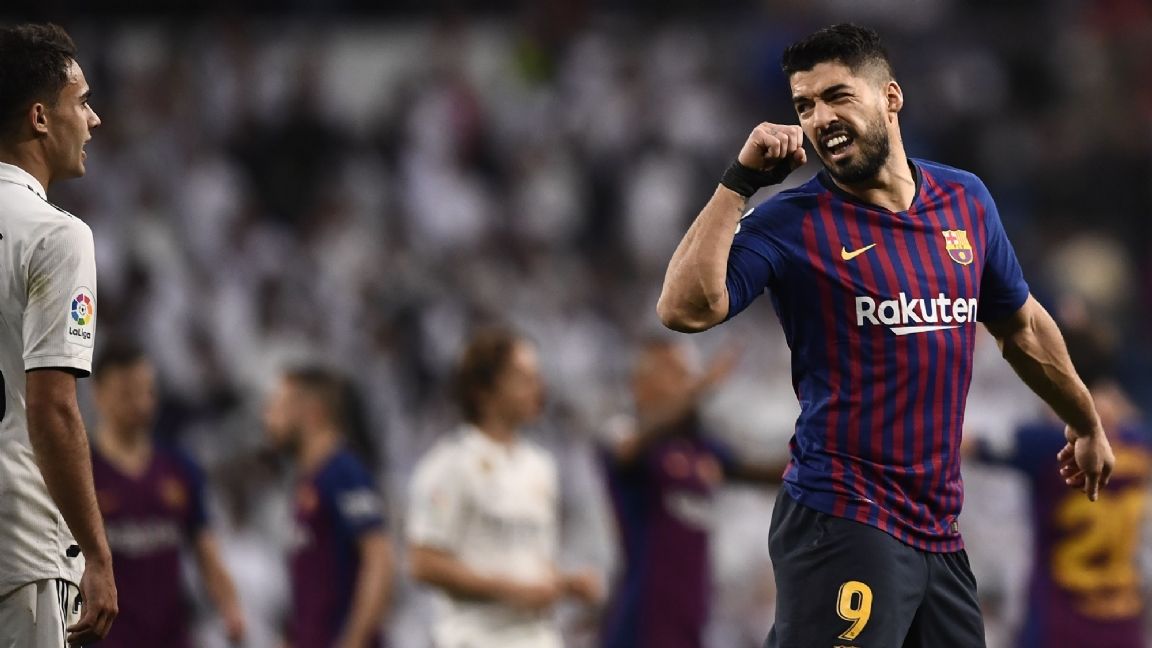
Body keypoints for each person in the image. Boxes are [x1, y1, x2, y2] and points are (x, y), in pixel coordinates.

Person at [655, 23, 1115, 647]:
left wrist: (1084, 422)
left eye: (837, 96)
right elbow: (684, 309)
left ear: (890, 97)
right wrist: (738, 182)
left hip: (939, 533)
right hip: (844, 519)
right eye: (804, 106)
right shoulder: (793, 220)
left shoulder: (965, 201)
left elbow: (1022, 326)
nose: (820, 118)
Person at [0, 22, 118, 647]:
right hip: (20, 548)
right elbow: (51, 409)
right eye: (82, 102)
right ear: (41, 117)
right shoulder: (55, 235)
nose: (93, 120)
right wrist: (97, 555)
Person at [407, 327, 602, 648]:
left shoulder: (539, 465)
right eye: (523, 378)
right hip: (475, 638)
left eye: (537, 376)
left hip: (538, 637)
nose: (539, 387)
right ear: (483, 390)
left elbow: (531, 560)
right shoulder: (449, 465)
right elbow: (423, 563)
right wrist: (509, 590)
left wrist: (566, 584)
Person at [967, 324, 1150, 648]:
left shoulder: (1046, 445)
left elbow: (963, 445)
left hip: (1058, 625)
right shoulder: (1139, 444)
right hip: (1123, 624)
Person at [599, 338, 783, 648]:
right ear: (641, 385)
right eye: (677, 373)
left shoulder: (699, 446)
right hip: (644, 614)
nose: (689, 382)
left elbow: (765, 473)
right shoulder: (625, 433)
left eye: (691, 374)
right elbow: (626, 450)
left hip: (691, 612)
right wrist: (703, 388)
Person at [89, 343, 245, 647]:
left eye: (146, 391)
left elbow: (206, 550)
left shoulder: (179, 468)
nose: (139, 403)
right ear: (99, 394)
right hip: (108, 638)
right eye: (126, 393)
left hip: (170, 635)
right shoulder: (83, 473)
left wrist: (230, 607)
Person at [264, 366, 392, 648]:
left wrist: (355, 640)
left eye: (278, 407)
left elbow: (378, 559)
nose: (268, 417)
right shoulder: (309, 482)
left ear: (313, 413)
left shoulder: (344, 473)